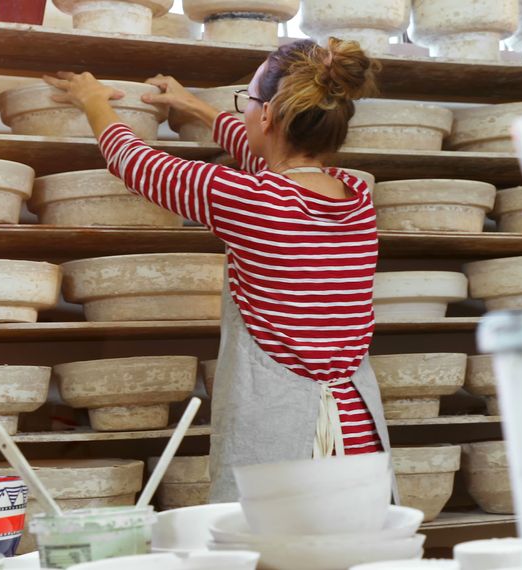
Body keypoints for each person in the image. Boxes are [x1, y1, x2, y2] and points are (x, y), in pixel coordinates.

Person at [46, 37, 392, 502]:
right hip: (358, 432)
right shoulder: (356, 197)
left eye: (246, 102)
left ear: (267, 115)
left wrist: (93, 103)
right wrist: (197, 108)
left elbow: (134, 163)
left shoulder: (251, 200)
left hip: (291, 445)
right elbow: (270, 159)